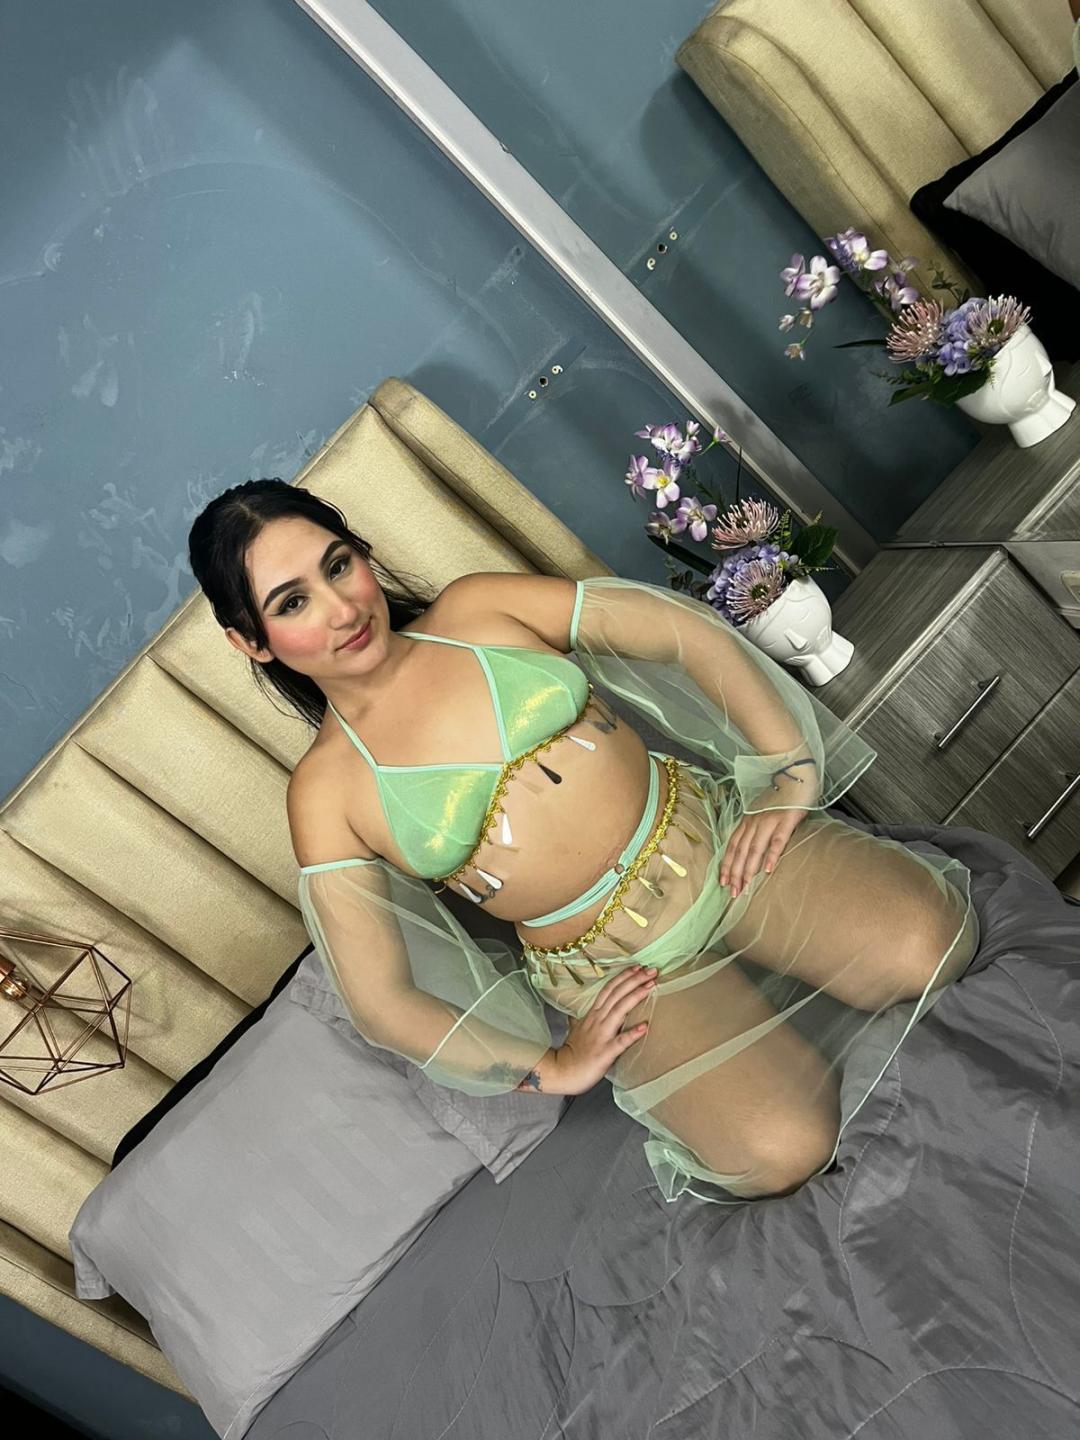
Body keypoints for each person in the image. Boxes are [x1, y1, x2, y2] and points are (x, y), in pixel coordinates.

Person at [188, 479, 979, 1206]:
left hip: (717, 848)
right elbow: (382, 1001)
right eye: (293, 602)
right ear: (250, 642)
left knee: (935, 944)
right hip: (620, 974)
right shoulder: (326, 793)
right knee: (782, 1151)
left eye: (339, 565)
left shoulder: (477, 611)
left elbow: (678, 630)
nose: (341, 609)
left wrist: (789, 770)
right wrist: (551, 1069)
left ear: (363, 554)